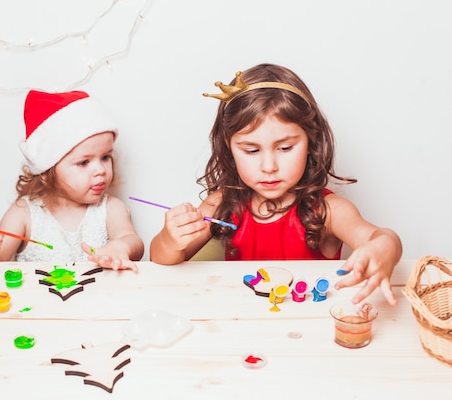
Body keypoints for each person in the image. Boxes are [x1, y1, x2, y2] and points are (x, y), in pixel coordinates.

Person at [150, 63, 402, 305]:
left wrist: (384, 249)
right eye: (251, 150)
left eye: (284, 148)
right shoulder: (220, 204)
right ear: (229, 149)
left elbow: (381, 238)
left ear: (311, 142)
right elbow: (162, 259)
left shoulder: (329, 211)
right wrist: (169, 240)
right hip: (241, 325)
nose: (269, 166)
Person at [0, 90, 144, 271]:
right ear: (48, 169)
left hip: (100, 299)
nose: (100, 170)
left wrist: (122, 247)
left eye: (106, 157)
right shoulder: (23, 213)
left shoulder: (110, 208)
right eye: (84, 162)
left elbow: (134, 242)